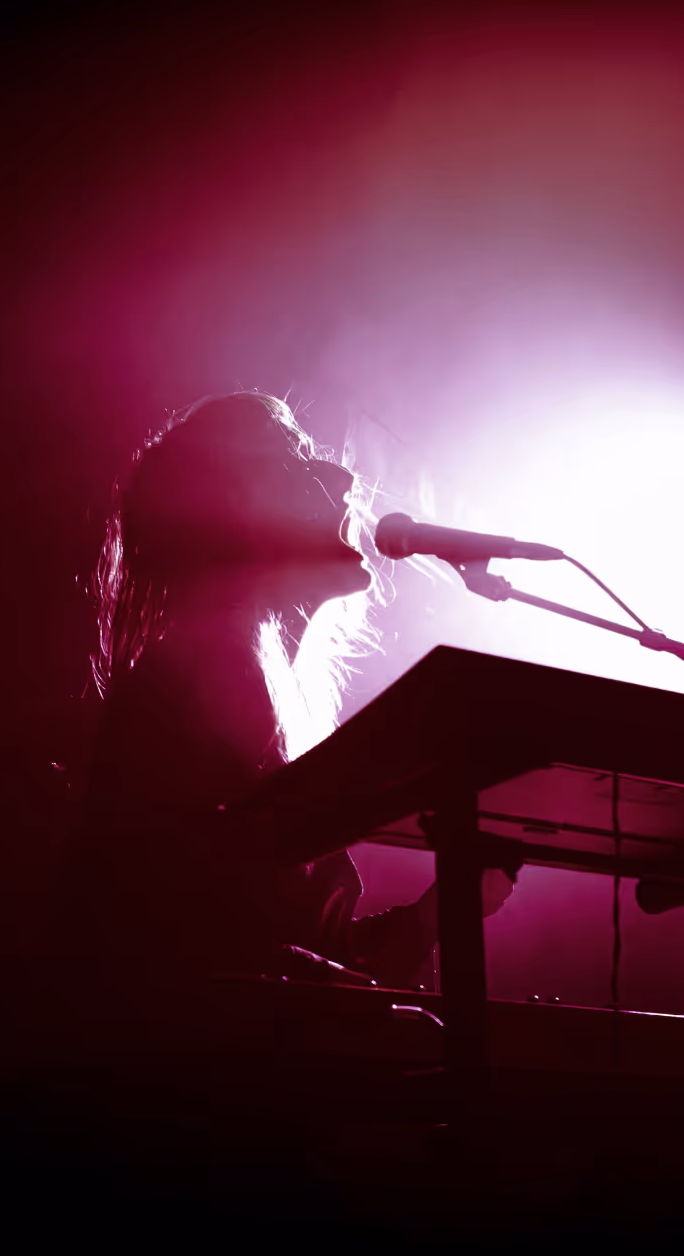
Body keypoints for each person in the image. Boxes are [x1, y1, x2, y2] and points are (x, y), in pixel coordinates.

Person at [56, 392, 509, 1004]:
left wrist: (440, 909)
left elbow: (300, 948)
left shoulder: (253, 683)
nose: (343, 476)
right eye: (297, 458)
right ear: (238, 510)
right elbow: (192, 954)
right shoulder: (193, 681)